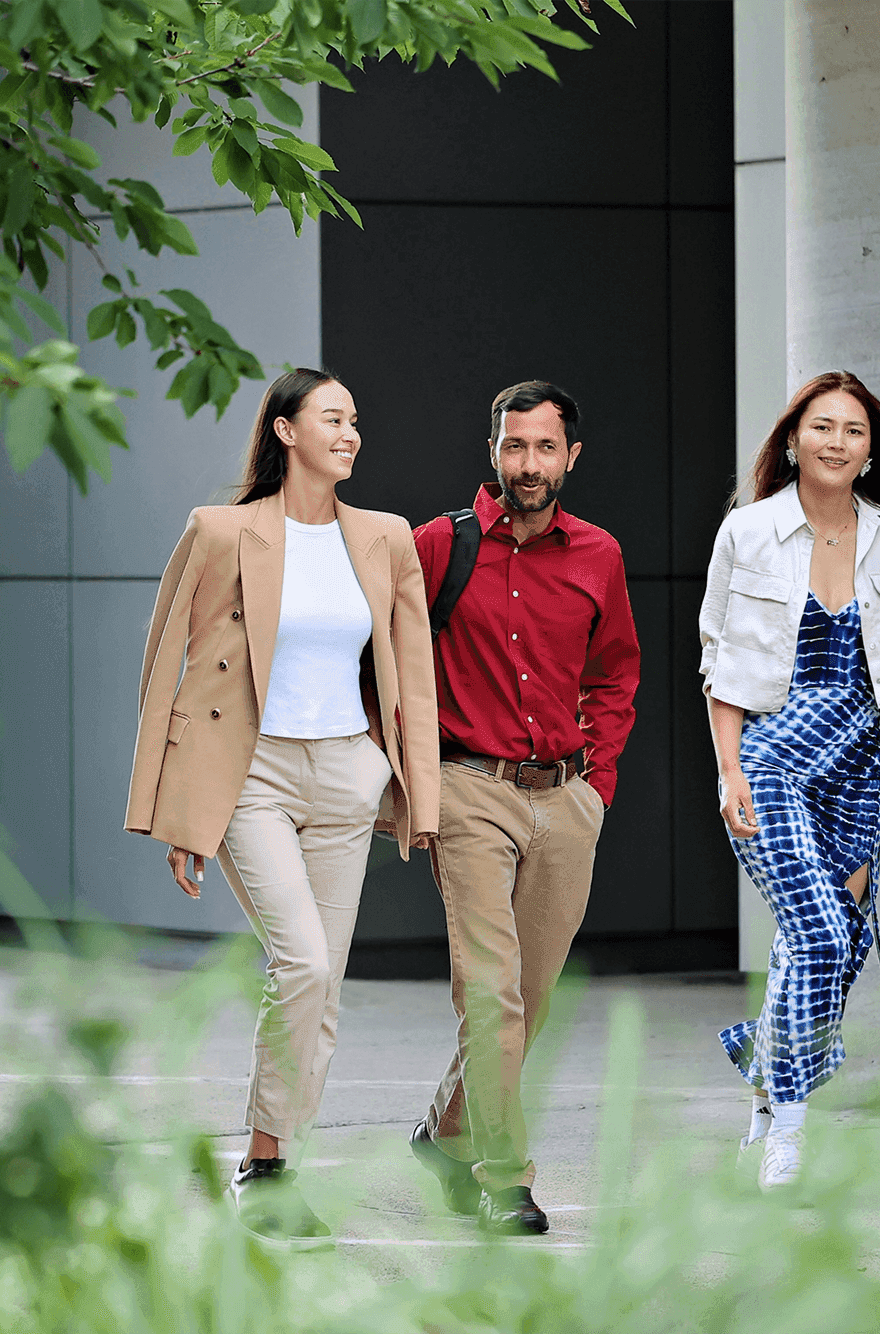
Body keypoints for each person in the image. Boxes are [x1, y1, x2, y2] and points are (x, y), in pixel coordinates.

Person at [124, 367, 439, 1250]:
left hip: (346, 773)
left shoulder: (384, 538)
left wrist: (415, 788)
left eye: (356, 420)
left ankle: (276, 1164)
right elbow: (165, 671)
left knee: (322, 985)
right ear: (287, 431)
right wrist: (170, 806)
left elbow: (412, 672)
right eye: (334, 418)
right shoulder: (221, 531)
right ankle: (262, 1168)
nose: (352, 434)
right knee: (300, 962)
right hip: (251, 775)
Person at [698, 370, 880, 1192]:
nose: (836, 442)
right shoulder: (748, 532)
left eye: (854, 431)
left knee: (828, 948)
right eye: (822, 426)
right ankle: (788, 1127)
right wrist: (727, 771)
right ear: (793, 439)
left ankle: (764, 1077)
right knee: (819, 933)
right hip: (770, 755)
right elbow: (718, 664)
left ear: (870, 452)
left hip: (858, 762)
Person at [404, 380, 641, 1235]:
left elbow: (616, 673)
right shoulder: (438, 546)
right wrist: (416, 781)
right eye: (514, 446)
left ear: (571, 457)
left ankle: (445, 1132)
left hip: (565, 798)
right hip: (469, 791)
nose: (528, 465)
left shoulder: (599, 556)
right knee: (491, 995)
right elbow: (385, 665)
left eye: (545, 449)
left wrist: (597, 788)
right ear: (492, 450)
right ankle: (506, 1178)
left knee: (528, 998)